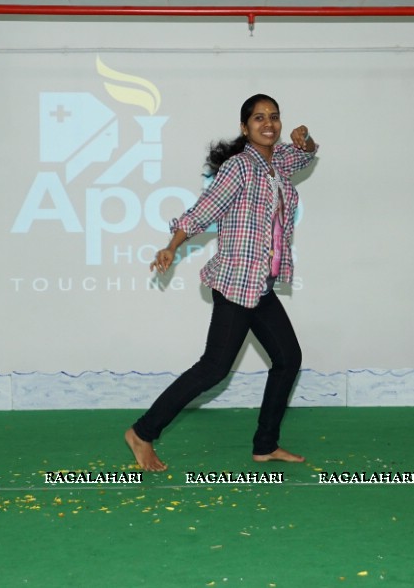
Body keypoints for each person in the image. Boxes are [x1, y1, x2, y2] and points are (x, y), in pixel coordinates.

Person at [125, 94, 318, 471]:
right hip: (234, 284)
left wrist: (305, 137)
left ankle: (266, 444)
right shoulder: (239, 168)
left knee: (288, 358)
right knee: (213, 369)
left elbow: (306, 154)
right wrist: (171, 247)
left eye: (275, 117)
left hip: (259, 286)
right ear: (245, 127)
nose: (269, 123)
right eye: (259, 117)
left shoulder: (278, 161)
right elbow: (203, 210)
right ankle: (142, 433)